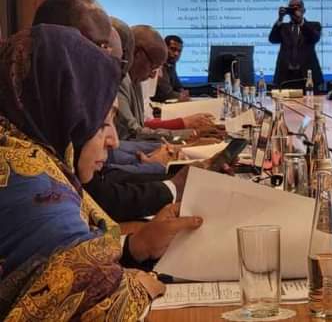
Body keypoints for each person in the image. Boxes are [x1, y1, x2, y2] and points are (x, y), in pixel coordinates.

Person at [0, 24, 202, 320]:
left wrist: (135, 246)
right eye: (101, 121)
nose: (114, 141)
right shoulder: (33, 188)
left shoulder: (18, 146)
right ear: (66, 112)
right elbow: (95, 306)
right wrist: (138, 291)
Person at [117, 25, 213, 141]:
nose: (152, 75)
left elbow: (141, 126)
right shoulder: (120, 81)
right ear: (137, 54)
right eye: (153, 67)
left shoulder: (135, 80)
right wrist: (190, 133)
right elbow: (134, 133)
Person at [269, 0, 323, 91]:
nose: (295, 9)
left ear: (304, 10)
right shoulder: (283, 27)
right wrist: (280, 19)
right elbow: (272, 39)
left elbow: (314, 38)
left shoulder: (314, 25)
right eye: (292, 7)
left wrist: (300, 21)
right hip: (285, 76)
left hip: (307, 75)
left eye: (298, 7)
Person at [153, 34, 189, 102]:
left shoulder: (171, 63)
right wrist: (180, 96)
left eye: (179, 51)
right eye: (173, 49)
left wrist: (182, 91)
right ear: (164, 47)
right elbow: (166, 92)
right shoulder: (158, 64)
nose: (176, 54)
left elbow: (177, 85)